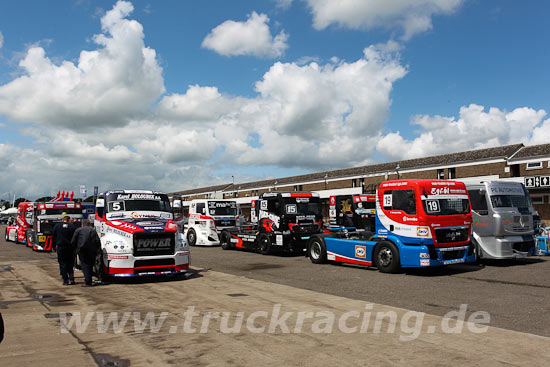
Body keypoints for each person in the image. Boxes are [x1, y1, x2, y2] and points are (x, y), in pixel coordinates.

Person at [71, 219, 100, 287]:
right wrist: (97, 249)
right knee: (90, 265)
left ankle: (88, 281)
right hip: (92, 250)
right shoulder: (93, 230)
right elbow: (97, 240)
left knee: (84, 265)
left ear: (82, 224)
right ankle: (89, 279)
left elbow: (73, 240)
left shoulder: (78, 230)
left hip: (82, 249)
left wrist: (74, 249)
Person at [52, 216, 77, 285]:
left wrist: (53, 246)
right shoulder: (72, 227)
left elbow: (53, 236)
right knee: (70, 264)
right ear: (68, 220)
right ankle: (72, 279)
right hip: (70, 247)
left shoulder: (57, 226)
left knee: (62, 263)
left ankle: (65, 280)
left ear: (63, 220)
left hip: (61, 247)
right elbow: (75, 237)